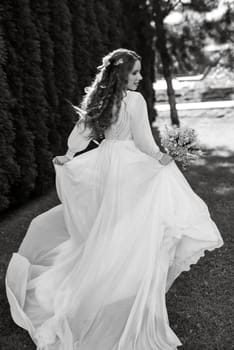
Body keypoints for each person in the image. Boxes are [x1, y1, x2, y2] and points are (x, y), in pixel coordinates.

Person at [6, 48, 223, 350]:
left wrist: (69, 155)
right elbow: (145, 142)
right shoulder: (134, 100)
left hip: (104, 163)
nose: (140, 77)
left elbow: (81, 133)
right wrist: (164, 157)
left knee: (108, 228)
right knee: (133, 229)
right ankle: (123, 292)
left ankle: (105, 291)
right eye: (135, 72)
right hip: (129, 165)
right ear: (123, 74)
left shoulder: (100, 100)